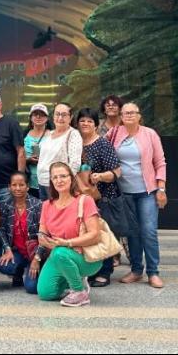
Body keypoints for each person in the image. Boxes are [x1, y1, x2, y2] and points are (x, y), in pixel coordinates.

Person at [107, 102, 167, 289]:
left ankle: (153, 272)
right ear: (121, 116)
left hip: (147, 192)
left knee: (148, 232)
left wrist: (161, 189)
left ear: (139, 116)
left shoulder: (150, 134)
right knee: (132, 233)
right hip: (124, 193)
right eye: (125, 113)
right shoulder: (115, 133)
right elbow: (100, 148)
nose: (129, 116)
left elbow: (160, 162)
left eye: (133, 112)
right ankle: (136, 270)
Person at [37, 162, 103, 307]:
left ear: (72, 178)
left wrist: (66, 243)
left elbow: (95, 235)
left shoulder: (85, 200)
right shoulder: (47, 205)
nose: (59, 180)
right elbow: (42, 232)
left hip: (86, 257)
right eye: (55, 178)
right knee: (45, 293)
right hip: (58, 254)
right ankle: (71, 277)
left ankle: (80, 292)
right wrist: (43, 239)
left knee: (60, 252)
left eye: (63, 176)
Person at [76, 107, 122, 287]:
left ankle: (105, 271)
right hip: (81, 198)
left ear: (95, 124)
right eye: (82, 120)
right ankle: (90, 269)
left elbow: (117, 171)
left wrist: (100, 176)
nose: (85, 124)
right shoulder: (74, 143)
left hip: (103, 197)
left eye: (89, 121)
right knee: (86, 233)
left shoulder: (102, 144)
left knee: (102, 233)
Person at [0, 172, 44, 294]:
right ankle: (17, 273)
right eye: (14, 185)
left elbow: (44, 234)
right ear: (9, 187)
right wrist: (7, 249)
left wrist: (37, 259)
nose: (18, 188)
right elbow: (1, 229)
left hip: (35, 253)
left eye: (21, 185)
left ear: (27, 186)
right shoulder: (5, 204)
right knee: (4, 265)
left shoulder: (38, 205)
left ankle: (36, 268)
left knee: (32, 288)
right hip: (17, 251)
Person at [36, 103, 82, 200]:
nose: (60, 118)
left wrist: (62, 182)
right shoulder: (49, 134)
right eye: (57, 114)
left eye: (64, 115)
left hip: (57, 185)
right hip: (41, 182)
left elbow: (75, 164)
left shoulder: (73, 134)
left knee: (58, 214)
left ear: (71, 117)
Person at [24, 104, 52, 199]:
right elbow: (17, 156)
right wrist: (28, 160)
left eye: (42, 114)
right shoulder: (24, 135)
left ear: (47, 118)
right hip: (29, 182)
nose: (38, 117)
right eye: (35, 114)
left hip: (49, 182)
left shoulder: (53, 136)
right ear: (30, 117)